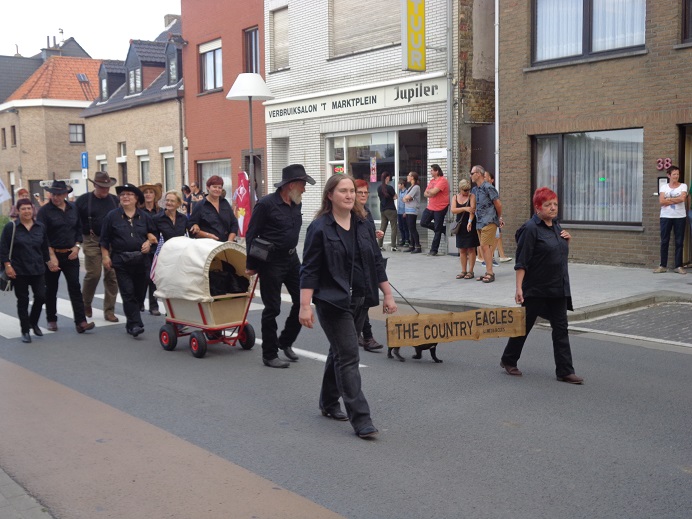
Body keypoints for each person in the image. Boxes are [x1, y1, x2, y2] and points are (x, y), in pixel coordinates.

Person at [299, 174, 397, 439]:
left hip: (361, 299)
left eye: (352, 190)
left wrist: (387, 294)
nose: (350, 195)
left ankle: (328, 402)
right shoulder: (319, 227)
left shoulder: (363, 224)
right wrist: (305, 305)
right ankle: (362, 419)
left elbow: (376, 261)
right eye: (343, 190)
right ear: (330, 195)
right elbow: (309, 269)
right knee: (350, 355)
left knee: (339, 352)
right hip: (332, 302)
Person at [500, 187, 583, 384]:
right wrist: (519, 288)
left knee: (561, 328)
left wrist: (567, 242)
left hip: (558, 288)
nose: (553, 208)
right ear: (538, 208)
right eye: (548, 205)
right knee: (524, 325)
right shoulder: (530, 229)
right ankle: (508, 359)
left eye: (555, 204)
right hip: (536, 288)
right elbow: (522, 261)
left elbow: (557, 254)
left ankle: (565, 371)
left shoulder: (556, 226)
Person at [246, 164, 314, 368]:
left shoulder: (296, 202)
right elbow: (251, 234)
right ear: (291, 185)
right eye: (302, 185)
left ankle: (285, 341)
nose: (304, 189)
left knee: (302, 302)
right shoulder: (266, 204)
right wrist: (251, 264)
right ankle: (269, 354)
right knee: (272, 308)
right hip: (271, 262)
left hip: (292, 260)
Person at [37, 180, 95, 334]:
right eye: (53, 194)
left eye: (59, 194)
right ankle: (51, 319)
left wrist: (77, 246)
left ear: (65, 194)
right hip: (52, 254)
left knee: (75, 286)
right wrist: (50, 256)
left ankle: (81, 322)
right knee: (51, 288)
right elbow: (42, 235)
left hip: (71, 254)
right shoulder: (44, 211)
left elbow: (79, 228)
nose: (55, 197)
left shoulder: (73, 208)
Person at [100, 184, 158, 337]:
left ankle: (132, 317)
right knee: (128, 292)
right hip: (121, 260)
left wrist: (149, 242)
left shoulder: (144, 216)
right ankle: (135, 325)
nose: (125, 197)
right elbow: (104, 239)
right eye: (122, 194)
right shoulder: (111, 216)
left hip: (142, 260)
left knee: (139, 293)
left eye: (129, 194)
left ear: (136, 198)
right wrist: (105, 256)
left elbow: (154, 235)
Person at [1, 199, 57, 343]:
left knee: (41, 297)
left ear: (33, 210)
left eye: (29, 208)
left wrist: (49, 262)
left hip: (38, 269)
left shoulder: (40, 227)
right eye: (23, 209)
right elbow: (3, 248)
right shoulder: (11, 227)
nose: (27, 211)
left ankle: (33, 321)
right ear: (18, 211)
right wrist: (8, 266)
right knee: (23, 300)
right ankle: (25, 330)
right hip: (19, 270)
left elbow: (44, 247)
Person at [75, 172, 120, 323]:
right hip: (91, 240)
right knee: (94, 273)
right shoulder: (83, 200)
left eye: (107, 187)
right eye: (102, 187)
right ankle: (86, 303)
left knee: (112, 276)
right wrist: (77, 241)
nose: (105, 190)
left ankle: (109, 311)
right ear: (94, 185)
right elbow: (75, 221)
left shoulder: (114, 200)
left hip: (111, 241)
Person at [355, 179, 385, 352]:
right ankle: (365, 336)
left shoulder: (366, 211)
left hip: (369, 262)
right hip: (357, 266)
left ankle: (364, 336)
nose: (364, 195)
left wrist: (374, 234)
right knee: (361, 301)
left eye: (366, 192)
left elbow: (365, 235)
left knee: (364, 302)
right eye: (360, 192)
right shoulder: (351, 214)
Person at [470, 165, 503, 283]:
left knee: (485, 246)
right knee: (485, 247)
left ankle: (490, 273)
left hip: (489, 220)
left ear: (478, 174)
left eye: (472, 173)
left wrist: (498, 218)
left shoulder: (488, 187)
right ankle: (488, 272)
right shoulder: (475, 189)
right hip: (480, 222)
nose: (470, 175)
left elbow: (498, 204)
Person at [654, 165, 687, 274]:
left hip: (680, 216)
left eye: (677, 174)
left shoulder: (683, 186)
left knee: (679, 242)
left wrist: (668, 199)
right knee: (664, 241)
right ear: (669, 175)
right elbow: (661, 201)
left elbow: (682, 199)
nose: (676, 176)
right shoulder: (664, 187)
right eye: (674, 174)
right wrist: (675, 199)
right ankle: (663, 265)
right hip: (665, 216)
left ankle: (678, 266)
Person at [189, 176, 239, 243]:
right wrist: (208, 235)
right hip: (208, 245)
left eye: (219, 187)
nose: (217, 189)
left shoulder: (225, 203)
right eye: (214, 187)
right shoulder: (200, 205)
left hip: (226, 244)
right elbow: (191, 228)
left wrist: (230, 241)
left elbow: (234, 223)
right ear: (208, 187)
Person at [139, 183, 163, 315]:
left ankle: (154, 306)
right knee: (143, 276)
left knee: (154, 277)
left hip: (157, 247)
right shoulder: (138, 211)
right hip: (142, 247)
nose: (148, 194)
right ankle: (140, 301)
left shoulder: (160, 211)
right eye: (146, 192)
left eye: (151, 192)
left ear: (155, 195)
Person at [482, 169, 512, 266]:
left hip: (493, 218)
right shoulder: (482, 190)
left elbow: (497, 205)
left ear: (491, 179)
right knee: (489, 239)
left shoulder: (491, 190)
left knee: (497, 236)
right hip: (486, 219)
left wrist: (499, 218)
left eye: (485, 176)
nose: (483, 178)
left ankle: (490, 258)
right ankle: (487, 259)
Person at [451, 179, 479, 280]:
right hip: (460, 225)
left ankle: (471, 271)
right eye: (465, 190)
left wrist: (470, 222)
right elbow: (453, 210)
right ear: (460, 189)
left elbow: (472, 210)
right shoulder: (455, 197)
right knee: (462, 249)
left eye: (468, 190)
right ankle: (463, 270)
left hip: (470, 224)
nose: (467, 192)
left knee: (471, 248)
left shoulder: (472, 196)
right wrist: (464, 208)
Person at [420, 164, 449, 256]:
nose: (430, 172)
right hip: (431, 206)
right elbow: (425, 194)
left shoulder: (442, 180)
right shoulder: (432, 181)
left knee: (437, 230)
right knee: (423, 222)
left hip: (440, 207)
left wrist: (431, 192)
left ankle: (434, 250)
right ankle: (442, 228)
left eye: (432, 170)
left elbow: (433, 192)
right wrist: (431, 192)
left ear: (437, 171)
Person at [377, 172, 398, 251]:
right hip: (391, 209)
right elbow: (395, 197)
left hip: (382, 210)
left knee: (382, 228)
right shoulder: (390, 188)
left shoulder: (379, 188)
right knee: (394, 228)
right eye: (389, 178)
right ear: (387, 178)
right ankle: (393, 246)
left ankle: (379, 246)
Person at [403, 171, 422, 253]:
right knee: (410, 228)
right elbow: (404, 198)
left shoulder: (416, 187)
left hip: (412, 210)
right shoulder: (410, 187)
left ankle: (418, 246)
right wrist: (406, 198)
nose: (407, 177)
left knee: (412, 228)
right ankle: (412, 246)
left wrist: (407, 198)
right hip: (408, 210)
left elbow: (408, 197)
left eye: (409, 175)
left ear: (412, 177)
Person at [396, 178, 410, 248]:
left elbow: (407, 202)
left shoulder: (406, 192)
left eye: (399, 184)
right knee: (400, 227)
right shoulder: (400, 192)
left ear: (402, 185)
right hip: (399, 212)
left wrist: (405, 211)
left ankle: (407, 240)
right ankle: (403, 240)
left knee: (405, 227)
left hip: (404, 212)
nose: (398, 185)